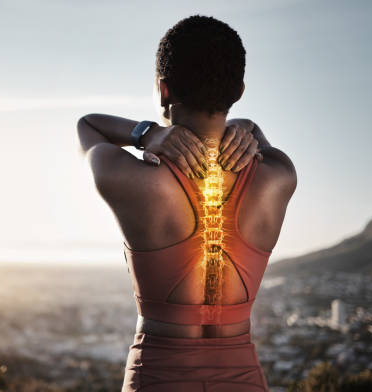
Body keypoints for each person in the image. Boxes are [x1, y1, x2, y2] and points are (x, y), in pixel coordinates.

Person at [77, 15, 296, 392]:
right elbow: (257, 135)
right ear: (239, 91)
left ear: (164, 91)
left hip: (158, 376)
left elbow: (89, 125)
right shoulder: (279, 176)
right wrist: (248, 128)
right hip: (243, 379)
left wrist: (145, 133)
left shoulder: (133, 181)